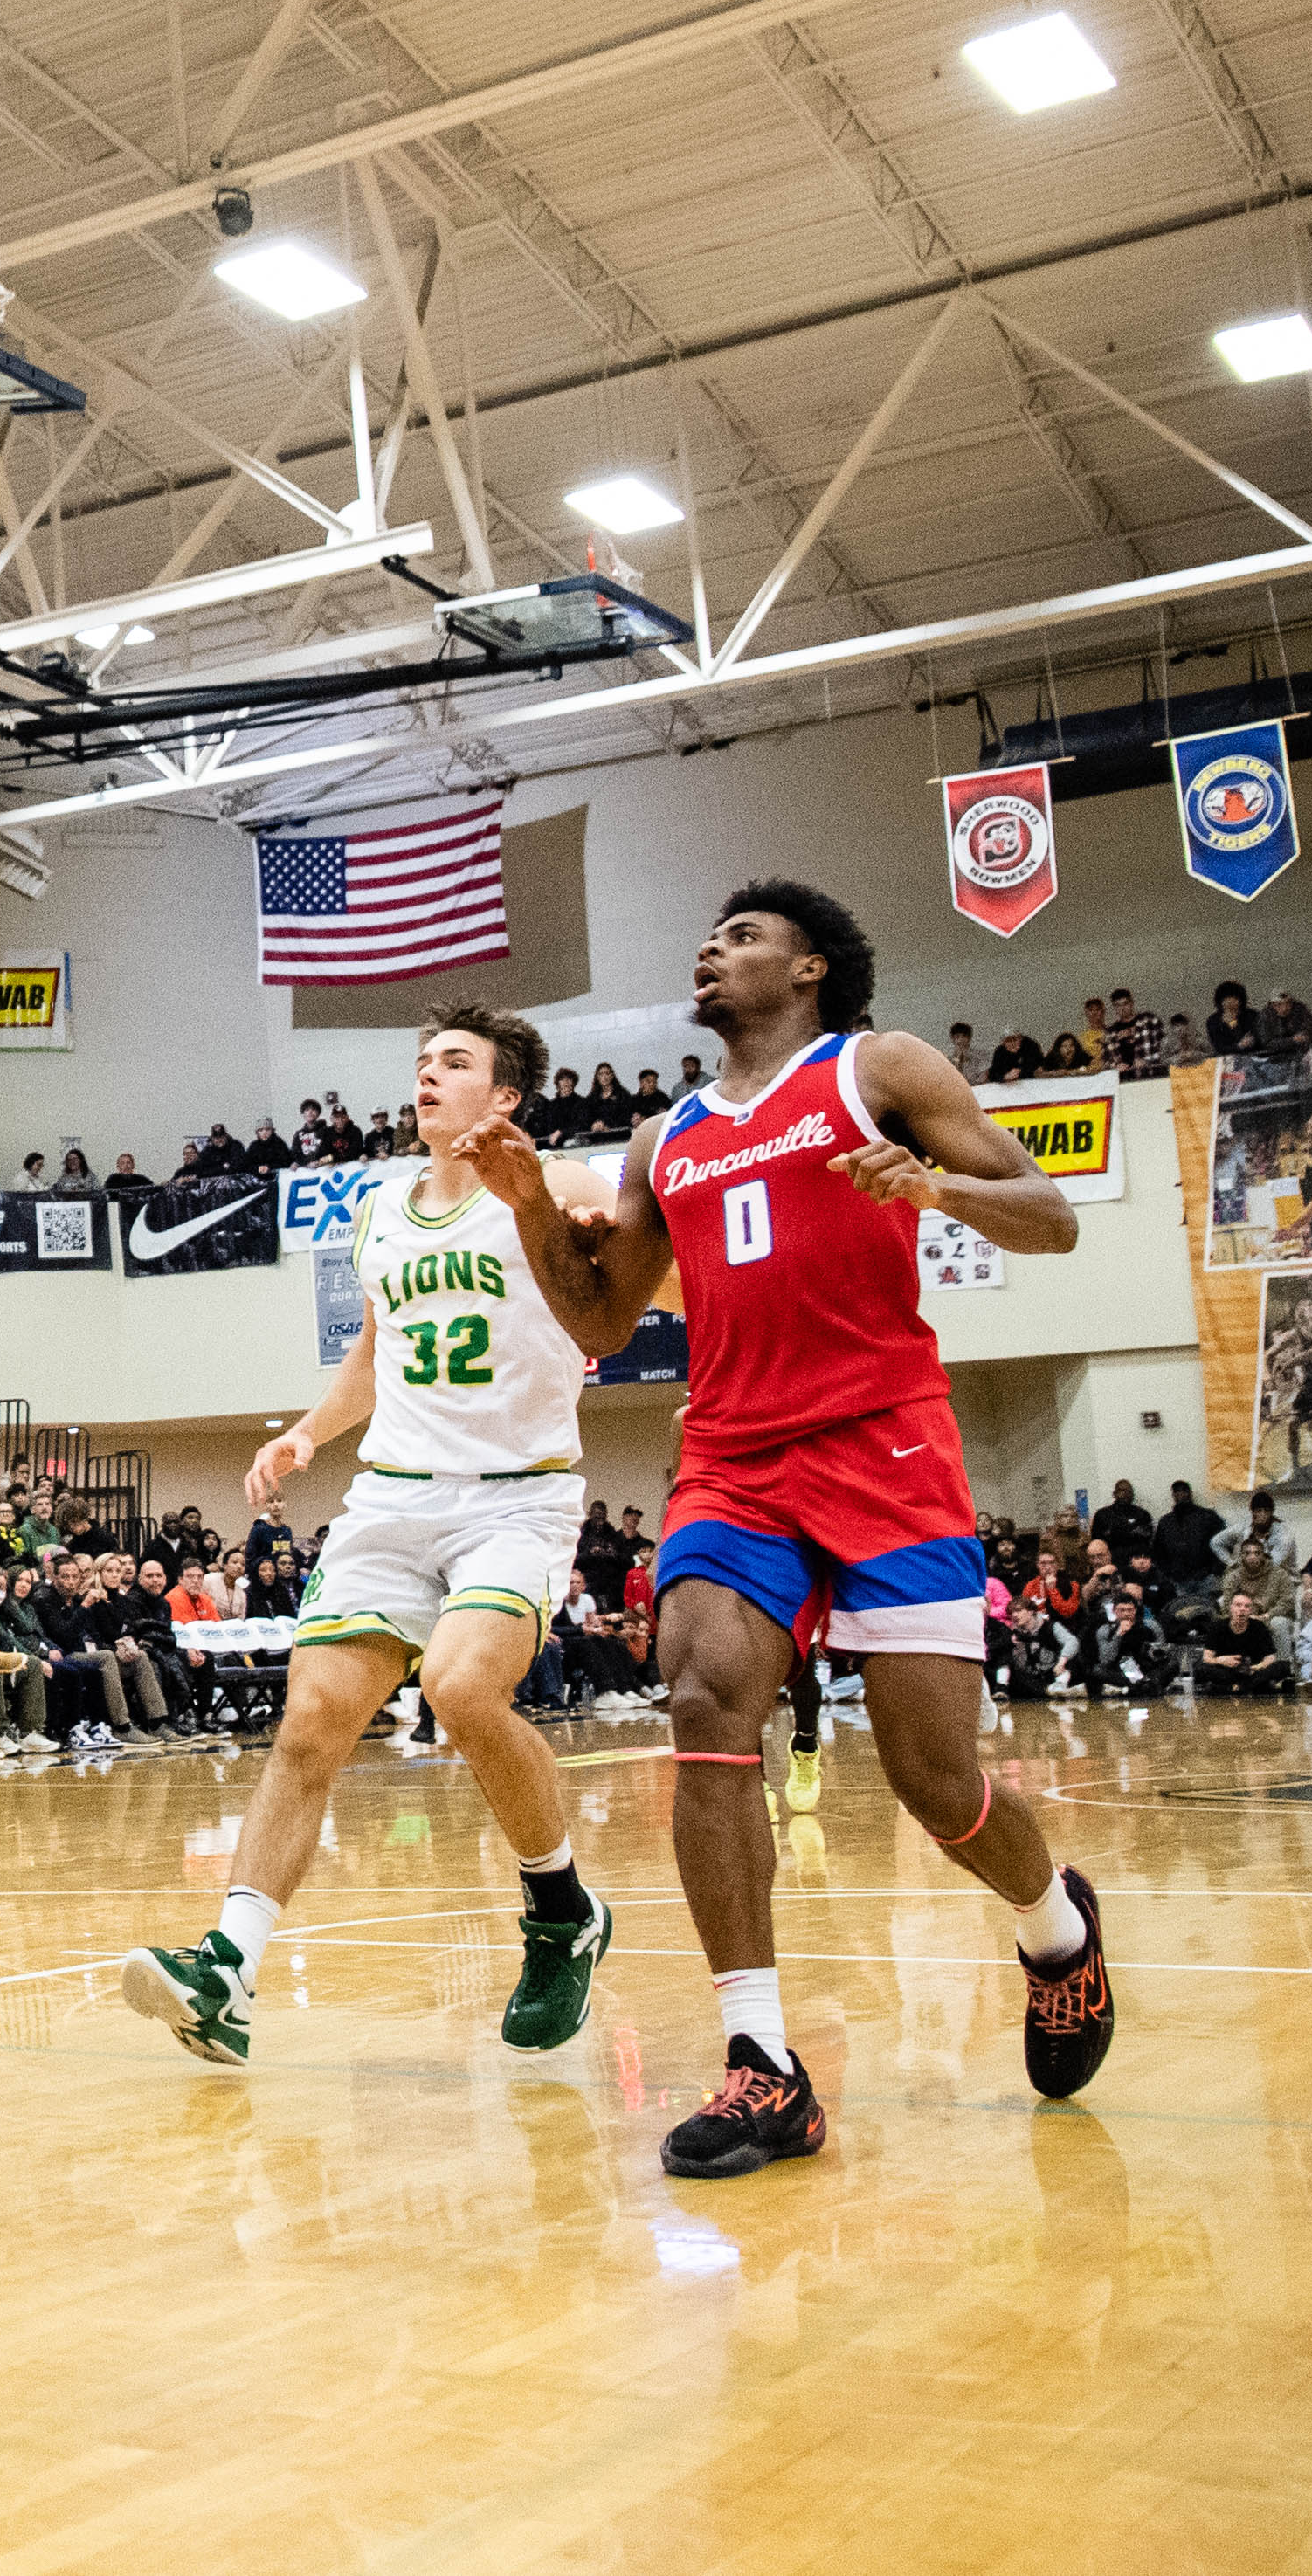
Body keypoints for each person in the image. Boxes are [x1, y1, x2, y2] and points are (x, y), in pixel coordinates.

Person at [480, 881, 1111, 2177]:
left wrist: (930, 1185)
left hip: (884, 1444)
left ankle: (1055, 1931)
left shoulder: (877, 1066)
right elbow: (604, 1324)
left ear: (810, 968)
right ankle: (761, 2067)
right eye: (707, 936)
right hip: (732, 1456)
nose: (711, 951)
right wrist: (531, 1208)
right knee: (705, 1701)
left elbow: (1048, 1217)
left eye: (744, 937)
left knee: (931, 1777)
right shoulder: (666, 1138)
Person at [126, 1007, 617, 2068]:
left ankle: (561, 1911)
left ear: (507, 1098)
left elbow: (634, 1292)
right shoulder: (383, 1204)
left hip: (514, 1495)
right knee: (310, 1726)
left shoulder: (564, 1187)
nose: (428, 1077)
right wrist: (305, 1436)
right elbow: (372, 1356)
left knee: (462, 1686)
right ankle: (227, 1968)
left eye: (455, 1063)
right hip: (392, 1496)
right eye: (422, 1062)